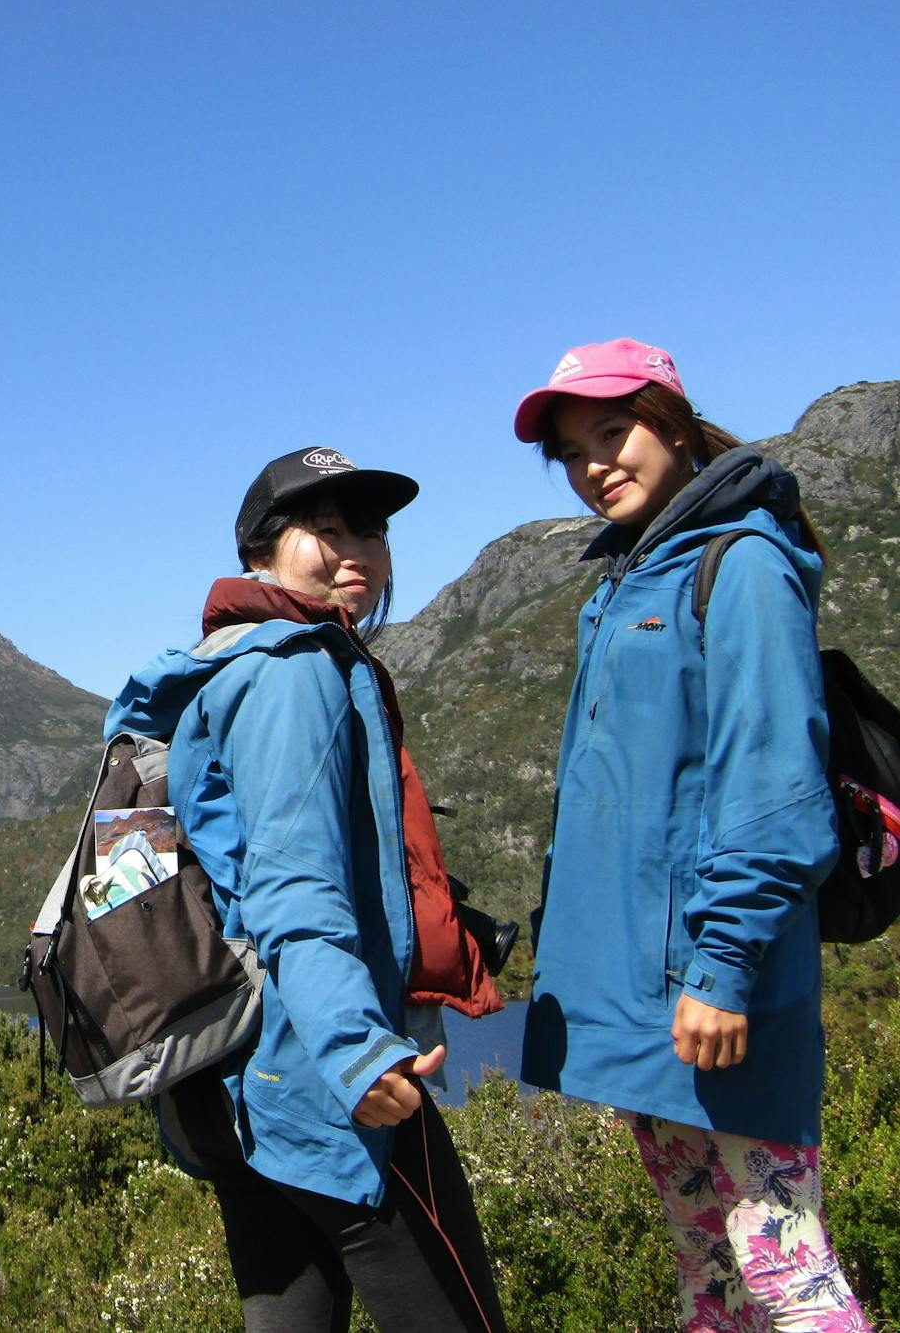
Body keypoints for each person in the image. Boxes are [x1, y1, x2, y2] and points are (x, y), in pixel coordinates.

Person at [512, 338, 871, 1331]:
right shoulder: (630, 577)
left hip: (720, 992)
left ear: (669, 420)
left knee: (787, 1267)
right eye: (574, 451)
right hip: (641, 1001)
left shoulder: (742, 560)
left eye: (612, 432)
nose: (595, 464)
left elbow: (774, 787)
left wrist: (721, 969)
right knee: (706, 1267)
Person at [106, 447, 507, 1332]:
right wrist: (359, 1052)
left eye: (371, 529)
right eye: (325, 530)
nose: (356, 549)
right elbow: (293, 892)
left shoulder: (223, 665)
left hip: (238, 1085)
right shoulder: (295, 670)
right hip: (326, 1081)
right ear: (261, 552)